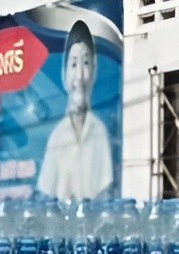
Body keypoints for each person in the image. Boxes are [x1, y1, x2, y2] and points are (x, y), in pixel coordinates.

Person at [36, 22, 115, 202]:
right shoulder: (57, 137)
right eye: (73, 64)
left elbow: (106, 192)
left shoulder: (99, 131)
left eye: (86, 63)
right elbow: (46, 194)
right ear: (64, 74)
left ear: (94, 70)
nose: (79, 76)